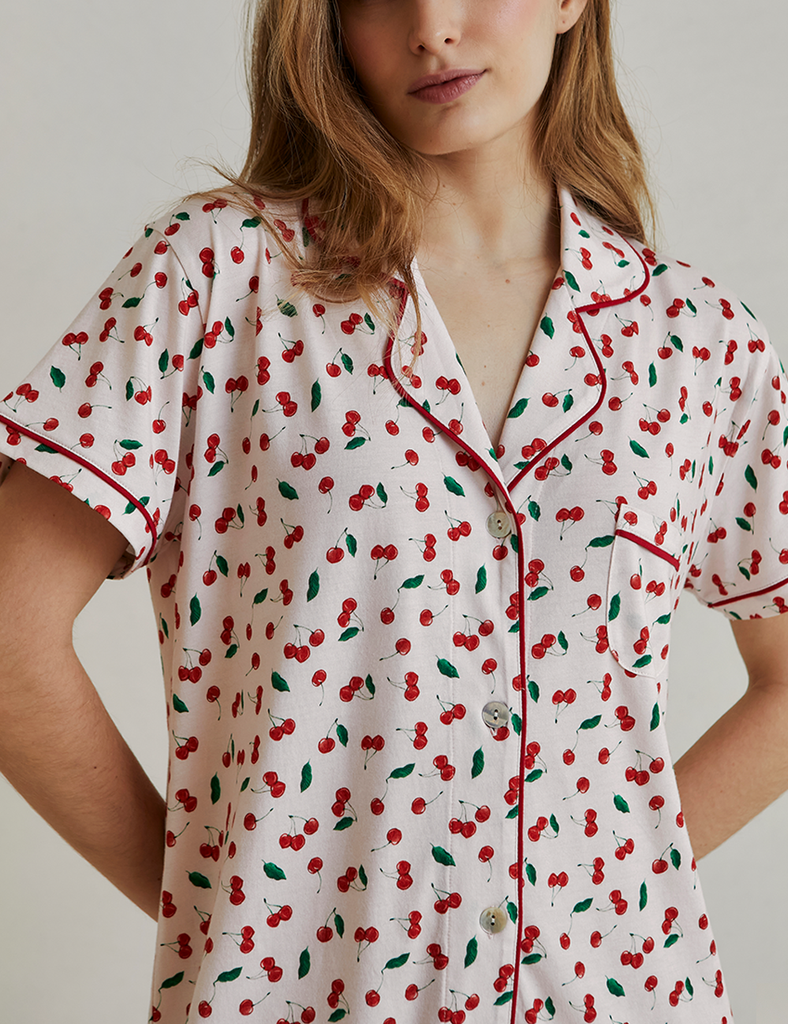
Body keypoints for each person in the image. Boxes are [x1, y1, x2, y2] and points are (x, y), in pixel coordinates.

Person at [1, 1, 787, 1022]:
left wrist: (606, 883)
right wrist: (228, 905)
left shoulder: (699, 342)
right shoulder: (217, 278)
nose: (429, 26)